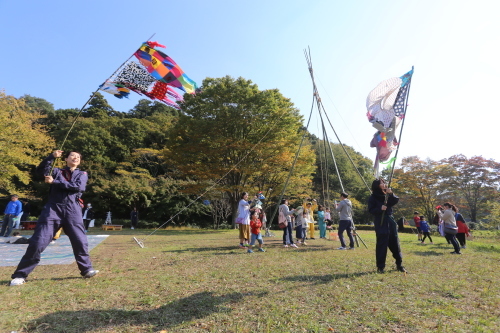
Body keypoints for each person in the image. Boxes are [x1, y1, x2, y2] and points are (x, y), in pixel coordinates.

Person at [10, 150, 99, 286]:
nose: (75, 158)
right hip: (53, 209)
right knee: (38, 242)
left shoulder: (82, 174)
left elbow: (78, 187)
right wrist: (51, 157)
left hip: (73, 210)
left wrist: (55, 182)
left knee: (80, 241)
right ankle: (20, 275)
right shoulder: (57, 171)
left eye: (78, 157)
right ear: (66, 159)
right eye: (72, 156)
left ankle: (86, 270)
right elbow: (41, 171)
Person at [367, 179, 406, 273]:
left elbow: (395, 200)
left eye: (384, 183)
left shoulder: (387, 195)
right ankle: (380, 267)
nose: (384, 184)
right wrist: (380, 208)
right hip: (380, 222)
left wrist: (391, 193)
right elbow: (371, 210)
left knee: (395, 243)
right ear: (377, 185)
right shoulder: (373, 197)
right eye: (381, 183)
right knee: (382, 244)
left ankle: (399, 264)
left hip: (390, 221)